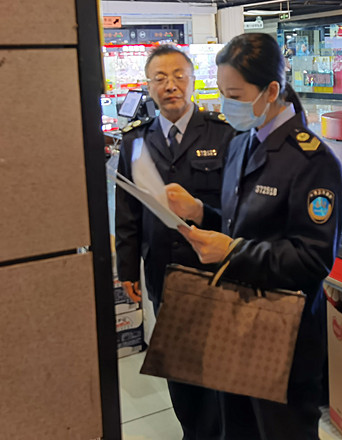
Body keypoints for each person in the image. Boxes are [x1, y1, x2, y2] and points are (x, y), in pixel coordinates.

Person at [166, 32, 342, 440]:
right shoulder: (241, 143)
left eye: (235, 95)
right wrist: (202, 213)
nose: (226, 105)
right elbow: (240, 226)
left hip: (283, 337)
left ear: (272, 91)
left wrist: (234, 252)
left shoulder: (311, 161)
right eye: (222, 93)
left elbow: (313, 258)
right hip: (235, 324)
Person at [114, 45, 233, 440]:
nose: (170, 86)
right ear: (148, 86)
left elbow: (237, 207)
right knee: (178, 363)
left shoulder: (223, 134)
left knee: (219, 363)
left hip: (215, 271)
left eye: (179, 76)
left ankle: (219, 432)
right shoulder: (135, 140)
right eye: (160, 78)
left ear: (193, 80)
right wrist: (127, 269)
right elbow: (127, 212)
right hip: (163, 269)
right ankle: (193, 433)